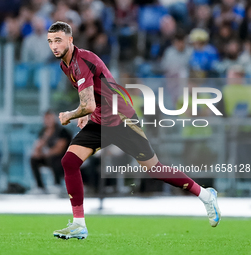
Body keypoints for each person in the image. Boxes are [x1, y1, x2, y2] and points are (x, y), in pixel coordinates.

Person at [47, 21, 221, 240]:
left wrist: (72, 114)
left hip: (122, 121)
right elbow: (95, 97)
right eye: (50, 41)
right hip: (101, 121)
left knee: (155, 170)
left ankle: (206, 195)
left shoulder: (81, 62)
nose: (54, 46)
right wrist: (86, 115)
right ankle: (79, 224)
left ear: (70, 40)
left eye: (58, 40)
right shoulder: (66, 64)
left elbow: (89, 103)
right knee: (69, 162)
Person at [30, 110, 72, 193]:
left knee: (54, 158)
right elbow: (37, 148)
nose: (47, 121)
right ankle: (40, 187)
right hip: (48, 156)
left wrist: (46, 153)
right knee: (33, 159)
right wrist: (45, 137)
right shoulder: (43, 132)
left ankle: (57, 184)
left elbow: (59, 149)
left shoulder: (62, 131)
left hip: (62, 158)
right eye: (46, 119)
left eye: (49, 118)